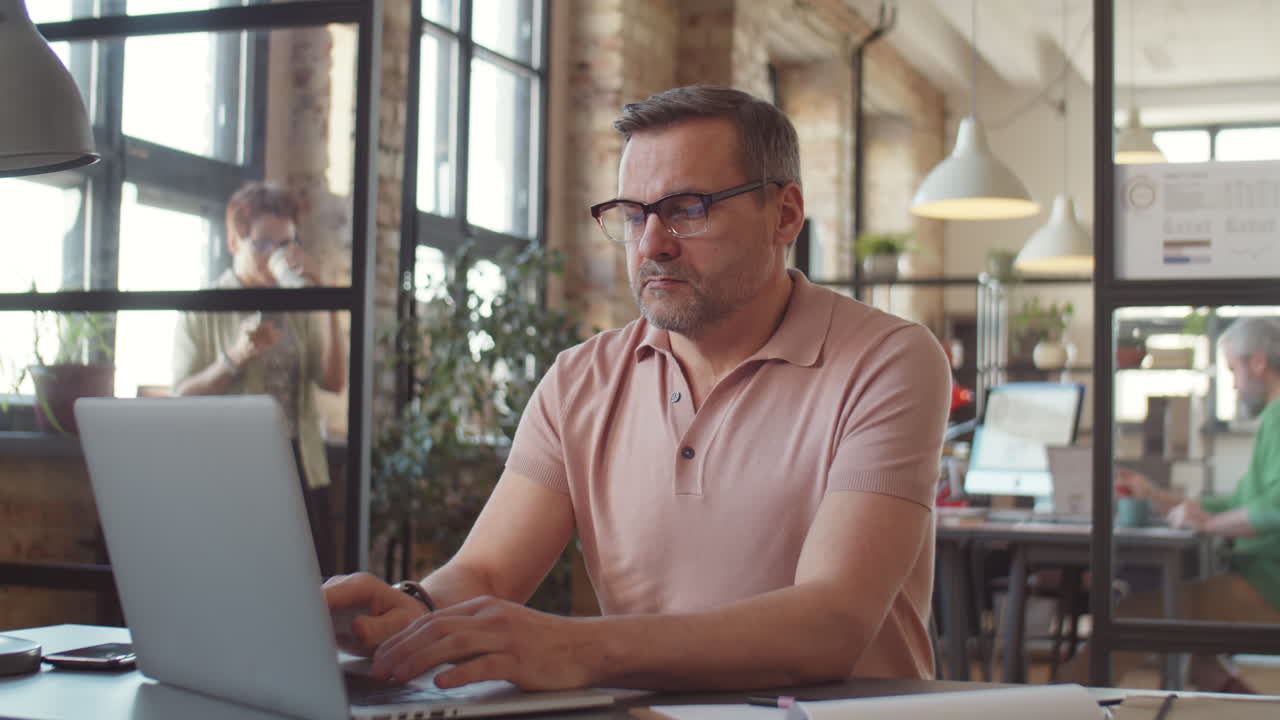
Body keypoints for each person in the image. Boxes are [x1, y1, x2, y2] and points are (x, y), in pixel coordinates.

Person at [325, 86, 951, 691]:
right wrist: (413, 609)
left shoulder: (888, 360)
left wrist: (573, 647)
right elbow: (489, 570)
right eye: (632, 214)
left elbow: (832, 623)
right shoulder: (580, 379)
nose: (651, 244)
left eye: (687, 209)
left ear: (783, 214)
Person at [1069, 316, 1280, 692]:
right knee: (1201, 663)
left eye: (1234, 369)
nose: (1233, 382)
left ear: (1259, 363)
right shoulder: (1272, 421)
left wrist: (1210, 525)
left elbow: (1275, 511)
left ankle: (1055, 705)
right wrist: (1158, 496)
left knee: (1133, 617)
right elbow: (1241, 502)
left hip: (1268, 587)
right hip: (1258, 579)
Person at [173, 181, 347, 575]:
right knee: (239, 584)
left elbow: (334, 381)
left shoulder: (296, 303)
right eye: (263, 245)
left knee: (314, 589)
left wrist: (329, 304)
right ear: (234, 241)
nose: (275, 258)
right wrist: (235, 357)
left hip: (301, 465)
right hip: (233, 474)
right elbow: (180, 397)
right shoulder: (202, 309)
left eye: (284, 245)